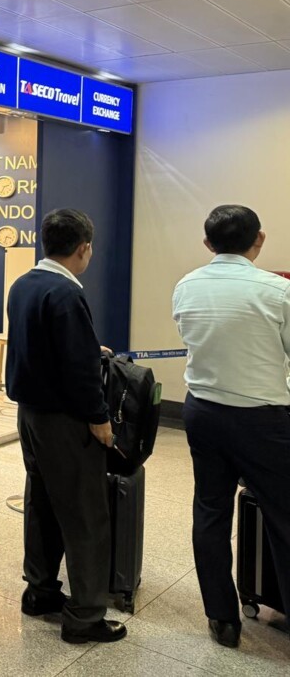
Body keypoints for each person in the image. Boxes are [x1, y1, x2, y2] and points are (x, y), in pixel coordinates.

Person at [172, 205, 290, 649]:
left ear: (208, 243)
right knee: (284, 514)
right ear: (259, 239)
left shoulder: (186, 285)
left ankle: (221, 619)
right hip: (263, 418)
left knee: (211, 510)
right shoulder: (277, 291)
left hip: (202, 411)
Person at [6, 209, 124, 645]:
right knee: (84, 513)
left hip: (30, 414)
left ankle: (39, 592)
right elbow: (78, 371)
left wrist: (89, 347)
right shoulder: (67, 293)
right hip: (65, 420)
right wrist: (99, 418)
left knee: (41, 503)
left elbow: (43, 344)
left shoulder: (25, 284)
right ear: (84, 248)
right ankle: (86, 616)